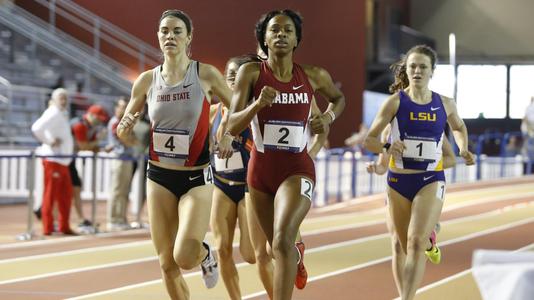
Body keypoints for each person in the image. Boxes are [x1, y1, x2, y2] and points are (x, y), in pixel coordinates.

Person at [219, 10, 345, 299]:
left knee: (282, 239)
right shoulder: (250, 74)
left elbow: (339, 99)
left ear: (297, 38)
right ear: (263, 38)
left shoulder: (313, 75)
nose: (281, 35)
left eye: (288, 30)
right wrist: (256, 106)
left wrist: (327, 118)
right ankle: (295, 255)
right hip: (260, 173)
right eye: (274, 30)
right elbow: (232, 124)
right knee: (274, 250)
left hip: (296, 168)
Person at [116, 9, 232, 299]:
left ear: (189, 37)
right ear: (158, 37)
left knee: (184, 256)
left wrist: (225, 133)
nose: (170, 36)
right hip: (158, 177)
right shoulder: (146, 80)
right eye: (165, 31)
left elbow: (236, 107)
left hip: (195, 178)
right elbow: (123, 128)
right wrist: (125, 126)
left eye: (177, 31)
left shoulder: (205, 74)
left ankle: (204, 252)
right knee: (167, 264)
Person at [363, 44, 475, 300]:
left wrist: (463, 148)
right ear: (407, 69)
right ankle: (430, 238)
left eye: (423, 67)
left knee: (414, 243)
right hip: (398, 182)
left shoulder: (444, 103)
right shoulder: (394, 102)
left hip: (430, 180)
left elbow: (458, 126)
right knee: (402, 245)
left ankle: (407, 298)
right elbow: (369, 139)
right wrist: (388, 146)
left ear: (432, 71)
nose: (417, 71)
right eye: (412, 66)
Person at [366, 124, 456, 297]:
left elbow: (451, 159)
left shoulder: (433, 123)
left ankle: (428, 242)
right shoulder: (390, 128)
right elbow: (382, 166)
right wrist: (375, 168)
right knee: (397, 245)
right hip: (397, 186)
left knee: (415, 242)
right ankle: (405, 295)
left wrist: (427, 160)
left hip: (425, 184)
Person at [31, 88, 75, 235]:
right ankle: (48, 228)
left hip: (62, 161)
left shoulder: (62, 113)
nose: (64, 100)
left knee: (65, 196)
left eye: (65, 98)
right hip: (53, 160)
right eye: (61, 98)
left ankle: (64, 226)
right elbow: (36, 128)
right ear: (55, 99)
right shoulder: (53, 112)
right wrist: (49, 141)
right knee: (51, 195)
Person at [70, 104, 109, 231]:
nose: (99, 122)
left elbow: (92, 147)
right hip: (63, 159)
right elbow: (84, 146)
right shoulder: (80, 125)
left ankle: (81, 218)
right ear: (90, 115)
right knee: (69, 189)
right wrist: (98, 140)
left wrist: (95, 143)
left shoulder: (90, 127)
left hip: (70, 159)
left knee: (76, 187)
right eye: (98, 118)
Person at [105, 97, 136, 231]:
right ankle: (113, 219)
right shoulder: (115, 123)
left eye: (126, 106)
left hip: (127, 159)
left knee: (124, 191)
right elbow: (127, 140)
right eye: (122, 106)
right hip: (119, 159)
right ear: (116, 108)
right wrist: (129, 139)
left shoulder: (125, 123)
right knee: (116, 191)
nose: (124, 109)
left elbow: (134, 140)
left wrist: (130, 139)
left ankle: (122, 218)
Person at [521, 96, 534, 173]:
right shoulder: (530, 108)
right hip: (529, 133)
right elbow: (527, 119)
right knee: (527, 153)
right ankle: (527, 172)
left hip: (529, 133)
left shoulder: (529, 108)